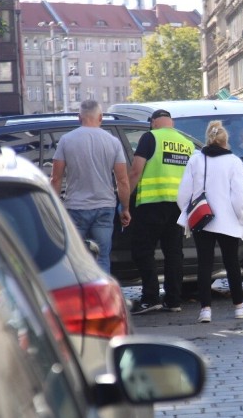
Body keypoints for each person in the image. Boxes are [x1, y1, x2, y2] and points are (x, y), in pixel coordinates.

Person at [177, 120, 243, 323]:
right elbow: (238, 196)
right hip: (228, 221)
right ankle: (238, 306)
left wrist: (189, 212)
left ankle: (205, 310)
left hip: (203, 220)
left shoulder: (196, 160)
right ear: (225, 141)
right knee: (232, 264)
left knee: (204, 264)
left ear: (208, 139)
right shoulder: (234, 162)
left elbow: (183, 193)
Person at [50, 99, 130, 273]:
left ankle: (79, 298)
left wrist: (55, 208)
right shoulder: (113, 142)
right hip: (104, 208)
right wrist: (125, 208)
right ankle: (101, 298)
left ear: (79, 118)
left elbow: (56, 179)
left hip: (75, 208)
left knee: (76, 260)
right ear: (100, 117)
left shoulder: (66, 140)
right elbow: (122, 180)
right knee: (102, 257)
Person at [128, 109, 194, 314]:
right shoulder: (187, 143)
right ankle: (174, 300)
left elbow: (136, 170)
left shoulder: (150, 137)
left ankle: (151, 297)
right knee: (174, 253)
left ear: (154, 122)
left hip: (152, 203)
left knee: (143, 251)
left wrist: (123, 200)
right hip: (178, 206)